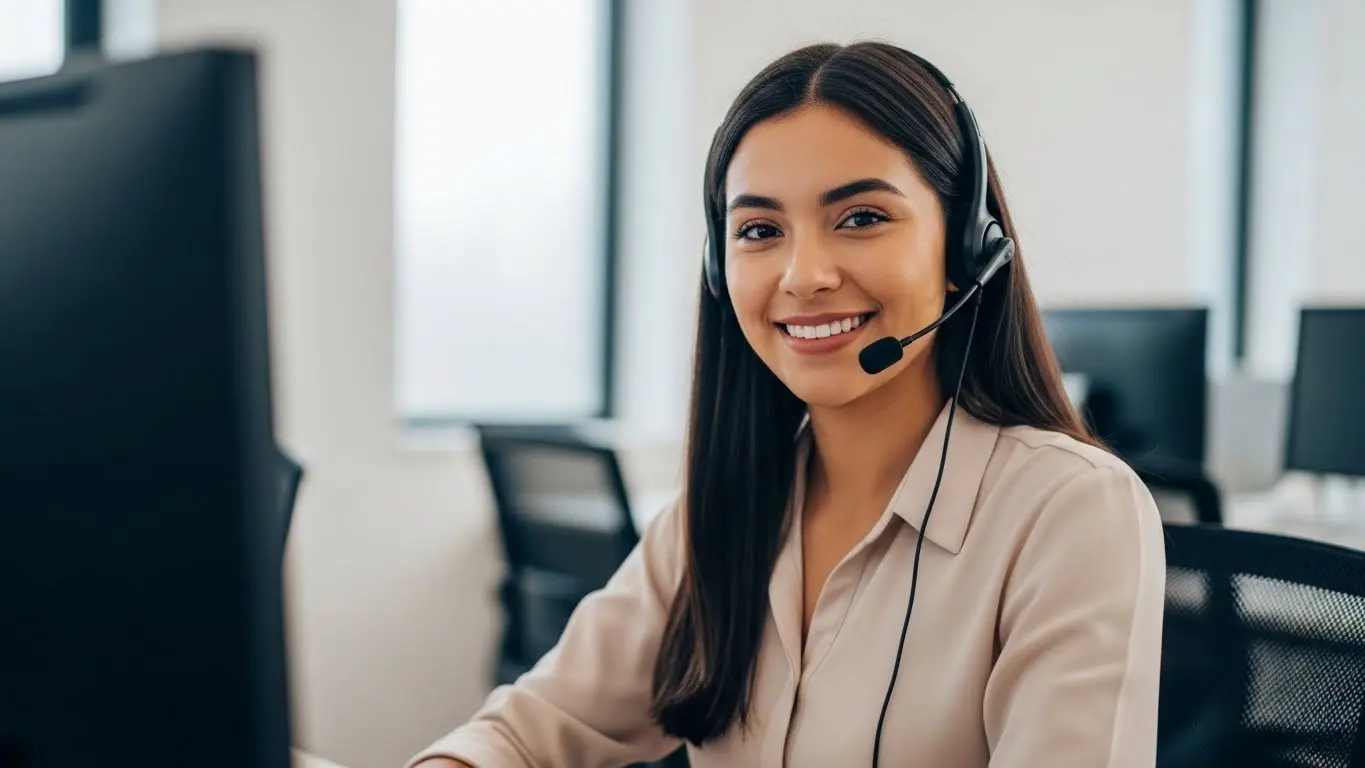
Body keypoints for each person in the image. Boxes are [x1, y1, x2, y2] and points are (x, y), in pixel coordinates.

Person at [408, 41, 1165, 768]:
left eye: (861, 217)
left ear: (964, 251)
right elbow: (534, 728)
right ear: (719, 268)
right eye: (759, 230)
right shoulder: (723, 514)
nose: (803, 276)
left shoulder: (1068, 513)